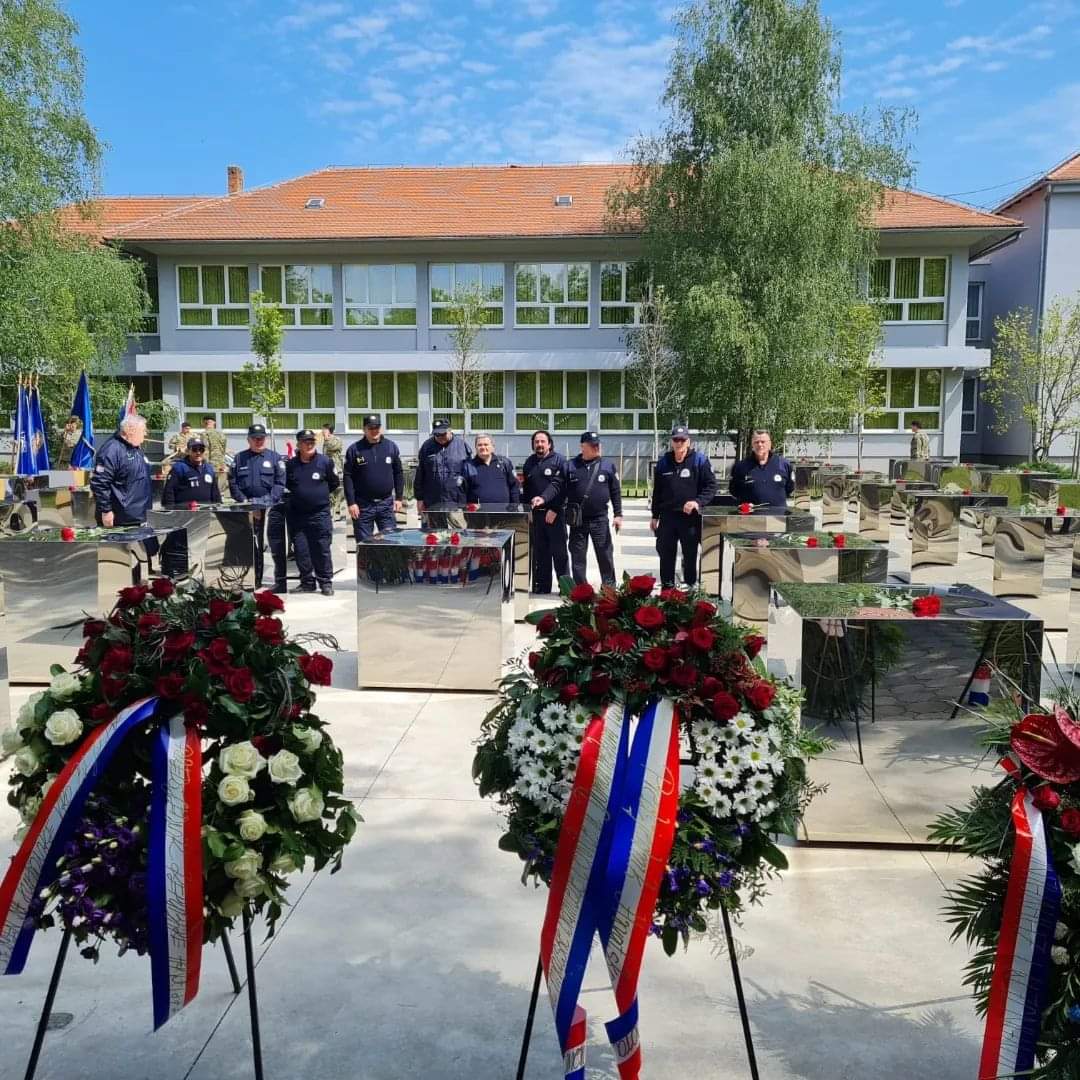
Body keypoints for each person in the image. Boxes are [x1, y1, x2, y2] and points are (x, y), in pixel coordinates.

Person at [650, 424, 718, 588]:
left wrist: (697, 502)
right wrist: (654, 516)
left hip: (690, 519)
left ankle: (689, 590)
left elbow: (711, 487)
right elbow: (657, 492)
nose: (679, 443)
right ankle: (667, 592)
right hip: (667, 518)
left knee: (690, 555)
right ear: (672, 442)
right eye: (676, 440)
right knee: (666, 556)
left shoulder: (699, 460)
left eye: (682, 440)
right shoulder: (663, 462)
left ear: (689, 442)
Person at [228, 423, 287, 592]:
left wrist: (261, 504)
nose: (258, 441)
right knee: (251, 547)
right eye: (255, 438)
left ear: (266, 439)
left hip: (270, 511)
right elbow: (233, 483)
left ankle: (277, 581)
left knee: (273, 547)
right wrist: (247, 503)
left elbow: (279, 484)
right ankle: (254, 579)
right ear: (249, 440)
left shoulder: (275, 458)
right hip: (246, 511)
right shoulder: (239, 459)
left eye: (261, 438)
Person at [562, 431, 622, 587]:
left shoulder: (608, 466)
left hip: (599, 519)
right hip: (578, 520)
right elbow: (559, 489)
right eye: (593, 445)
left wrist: (618, 514)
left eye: (598, 445)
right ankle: (581, 589)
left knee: (605, 555)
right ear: (583, 447)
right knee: (578, 557)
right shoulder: (570, 466)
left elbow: (615, 491)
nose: (597, 448)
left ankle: (609, 589)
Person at [284, 428, 339, 596]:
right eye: (305, 442)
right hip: (298, 515)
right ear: (298, 445)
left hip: (320, 514)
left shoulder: (325, 462)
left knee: (322, 548)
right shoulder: (291, 465)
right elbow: (288, 485)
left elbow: (334, 483)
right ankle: (307, 582)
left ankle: (325, 582)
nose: (309, 445)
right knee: (301, 550)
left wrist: (317, 496)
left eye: (311, 442)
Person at [160, 436, 222, 577]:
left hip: (204, 516)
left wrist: (218, 509)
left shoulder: (209, 467)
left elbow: (215, 492)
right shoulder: (179, 468)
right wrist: (171, 513)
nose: (198, 452)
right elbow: (169, 492)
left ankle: (200, 571)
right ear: (188, 451)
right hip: (183, 516)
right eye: (195, 449)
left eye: (201, 449)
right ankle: (176, 573)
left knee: (200, 545)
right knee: (179, 546)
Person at [521, 429, 569, 594]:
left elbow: (564, 488)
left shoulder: (560, 461)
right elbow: (526, 491)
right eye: (536, 442)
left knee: (560, 554)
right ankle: (543, 587)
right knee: (541, 553)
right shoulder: (529, 462)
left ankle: (565, 588)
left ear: (549, 443)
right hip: (536, 516)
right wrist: (528, 513)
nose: (539, 444)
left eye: (542, 441)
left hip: (554, 515)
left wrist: (554, 509)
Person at [342, 414, 404, 541]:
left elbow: (398, 473)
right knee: (365, 547)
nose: (374, 431)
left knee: (390, 543)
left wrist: (398, 498)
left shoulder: (391, 447)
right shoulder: (354, 449)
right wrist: (351, 503)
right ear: (364, 429)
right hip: (363, 506)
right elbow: (348, 477)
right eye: (371, 428)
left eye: (377, 427)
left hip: (386, 504)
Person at [90, 414, 152, 527]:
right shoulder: (112, 450)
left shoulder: (136, 449)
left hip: (139, 516)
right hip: (120, 520)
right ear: (130, 430)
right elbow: (100, 483)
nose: (146, 433)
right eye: (143, 430)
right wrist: (106, 511)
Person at [415, 418, 471, 523]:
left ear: (450, 430)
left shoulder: (462, 446)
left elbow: (470, 476)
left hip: (456, 502)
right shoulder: (426, 447)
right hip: (432, 503)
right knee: (433, 537)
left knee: (457, 537)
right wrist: (419, 499)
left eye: (443, 434)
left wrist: (471, 500)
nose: (440, 437)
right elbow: (420, 475)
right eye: (437, 435)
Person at [728, 429, 793, 508]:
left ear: (770, 444)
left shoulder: (783, 464)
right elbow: (734, 491)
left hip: (778, 517)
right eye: (756, 442)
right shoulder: (741, 466)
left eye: (763, 442)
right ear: (752, 444)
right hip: (750, 517)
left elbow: (790, 488)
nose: (760, 444)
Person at [463, 434, 520, 504]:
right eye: (479, 445)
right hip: (477, 513)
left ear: (493, 447)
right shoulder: (469, 466)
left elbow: (514, 487)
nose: (483, 447)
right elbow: (462, 492)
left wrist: (515, 507)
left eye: (486, 444)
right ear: (475, 447)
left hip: (504, 512)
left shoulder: (504, 463)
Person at [320, 423, 346, 518]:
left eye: (324, 429)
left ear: (328, 430)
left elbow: (332, 447)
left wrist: (327, 438)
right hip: (327, 468)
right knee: (329, 490)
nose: (322, 431)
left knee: (338, 490)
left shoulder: (336, 440)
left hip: (336, 468)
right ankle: (332, 510)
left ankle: (338, 511)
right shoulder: (325, 440)